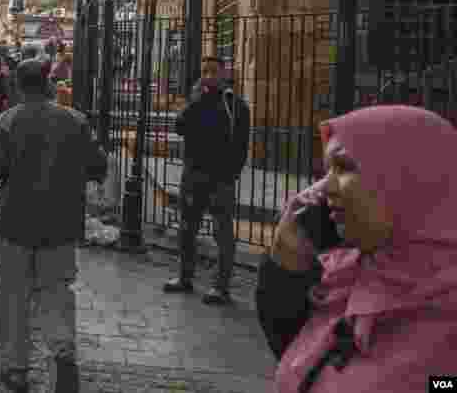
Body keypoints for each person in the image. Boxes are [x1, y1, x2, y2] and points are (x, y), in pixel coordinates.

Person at [257, 105, 457, 393]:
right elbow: (299, 359)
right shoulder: (346, 276)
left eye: (345, 167)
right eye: (327, 171)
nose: (325, 189)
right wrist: (287, 260)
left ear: (409, 178)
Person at [0, 59, 107, 393]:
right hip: (61, 224)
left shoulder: (3, 124)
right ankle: (62, 356)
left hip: (16, 223)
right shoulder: (76, 122)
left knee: (13, 296)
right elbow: (98, 166)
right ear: (48, 84)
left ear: (18, 86)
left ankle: (16, 369)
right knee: (57, 293)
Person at [163, 56, 251, 305]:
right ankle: (185, 277)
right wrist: (194, 101)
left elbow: (242, 145)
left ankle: (220, 287)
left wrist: (230, 174)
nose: (209, 75)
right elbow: (179, 127)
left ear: (225, 74)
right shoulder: (196, 102)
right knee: (187, 229)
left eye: (214, 71)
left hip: (220, 178)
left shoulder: (235, 105)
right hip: (193, 175)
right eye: (205, 71)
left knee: (222, 232)